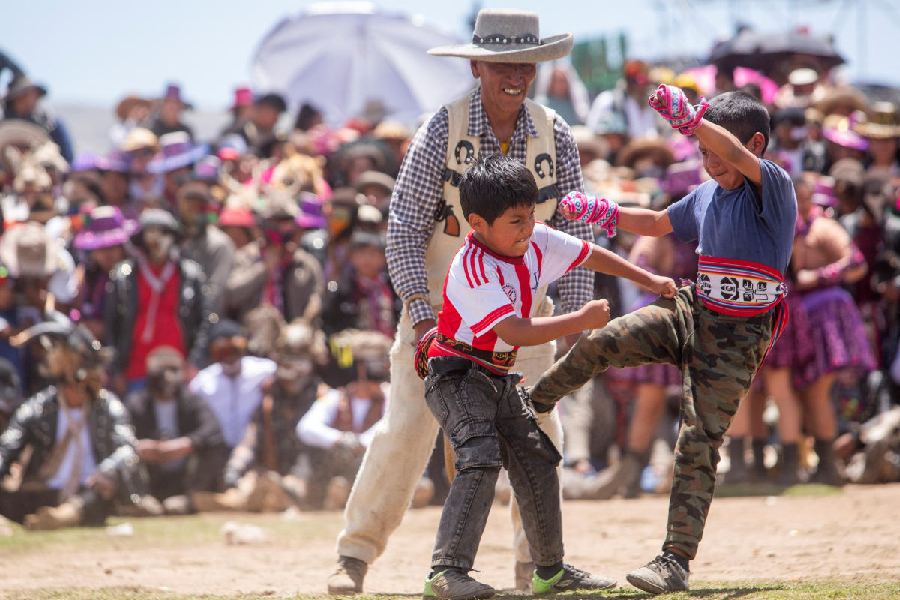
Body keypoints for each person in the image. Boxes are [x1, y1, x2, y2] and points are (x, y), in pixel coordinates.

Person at [327, 10, 596, 594]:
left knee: (539, 435)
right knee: (405, 432)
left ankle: (536, 567)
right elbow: (402, 228)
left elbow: (576, 234)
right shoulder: (440, 129)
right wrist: (421, 316)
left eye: (525, 64)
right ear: (476, 66)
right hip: (443, 315)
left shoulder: (557, 134)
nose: (515, 76)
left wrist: (573, 328)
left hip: (523, 319)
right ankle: (354, 556)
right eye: (503, 65)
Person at [528, 86, 797, 594]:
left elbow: (735, 155)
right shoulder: (704, 195)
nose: (709, 160)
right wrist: (601, 212)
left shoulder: (775, 188)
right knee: (605, 340)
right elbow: (654, 222)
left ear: (756, 144)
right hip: (693, 309)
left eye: (716, 149)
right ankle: (533, 403)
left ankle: (674, 561)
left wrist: (693, 119)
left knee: (697, 441)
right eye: (701, 152)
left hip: (739, 338)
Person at [415, 154, 675, 598]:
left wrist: (648, 279)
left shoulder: (532, 238)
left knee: (537, 458)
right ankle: (446, 572)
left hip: (497, 374)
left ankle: (550, 570)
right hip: (455, 372)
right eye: (516, 220)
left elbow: (591, 254)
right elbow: (513, 330)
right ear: (477, 222)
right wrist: (581, 319)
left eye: (532, 215)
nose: (528, 227)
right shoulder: (471, 266)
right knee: (479, 455)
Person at [0, 316, 141, 530]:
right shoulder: (38, 407)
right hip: (46, 492)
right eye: (94, 369)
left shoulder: (107, 406)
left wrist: (106, 470)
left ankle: (65, 516)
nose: (101, 376)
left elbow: (128, 449)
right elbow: (7, 447)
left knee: (101, 491)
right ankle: (51, 517)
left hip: (90, 492)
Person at [104, 209, 210, 395]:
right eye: (151, 233)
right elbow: (112, 326)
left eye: (164, 233)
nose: (157, 240)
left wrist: (194, 362)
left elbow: (204, 322)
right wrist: (117, 370)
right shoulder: (124, 276)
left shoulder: (190, 275)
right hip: (136, 368)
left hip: (179, 367)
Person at [297, 330, 392, 510]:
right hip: (338, 463)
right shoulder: (336, 397)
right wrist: (340, 440)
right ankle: (334, 491)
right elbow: (306, 427)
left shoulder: (391, 397)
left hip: (376, 467)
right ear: (360, 369)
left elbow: (391, 426)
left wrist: (360, 443)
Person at [127, 346, 227, 514]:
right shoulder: (136, 404)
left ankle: (191, 498)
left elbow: (212, 429)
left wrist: (186, 444)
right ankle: (141, 498)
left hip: (185, 471)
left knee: (214, 448)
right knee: (126, 456)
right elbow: (119, 435)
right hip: (152, 471)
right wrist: (140, 447)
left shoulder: (191, 402)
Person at [1, 75, 74, 163]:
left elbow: (67, 158)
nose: (28, 100)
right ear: (13, 100)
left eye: (32, 95)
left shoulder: (52, 124)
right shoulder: (3, 124)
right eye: (23, 96)